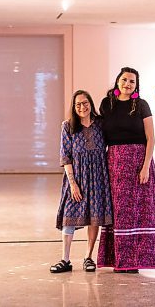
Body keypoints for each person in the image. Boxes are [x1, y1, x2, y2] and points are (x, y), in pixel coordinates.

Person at [97, 67, 155, 273]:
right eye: (124, 80)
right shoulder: (107, 104)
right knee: (120, 212)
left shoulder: (141, 105)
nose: (127, 84)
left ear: (136, 85)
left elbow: (151, 138)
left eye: (132, 81)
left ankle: (137, 260)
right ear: (117, 81)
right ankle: (121, 260)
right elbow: (98, 134)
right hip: (114, 164)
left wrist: (146, 166)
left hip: (139, 163)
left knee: (141, 211)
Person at [50, 90, 113, 273]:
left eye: (85, 103)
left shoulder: (100, 124)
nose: (82, 107)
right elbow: (65, 157)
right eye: (78, 104)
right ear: (73, 107)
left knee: (94, 218)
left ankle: (88, 257)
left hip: (98, 178)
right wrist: (73, 184)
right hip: (76, 177)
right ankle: (65, 259)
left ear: (90, 104)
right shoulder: (67, 126)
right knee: (69, 217)